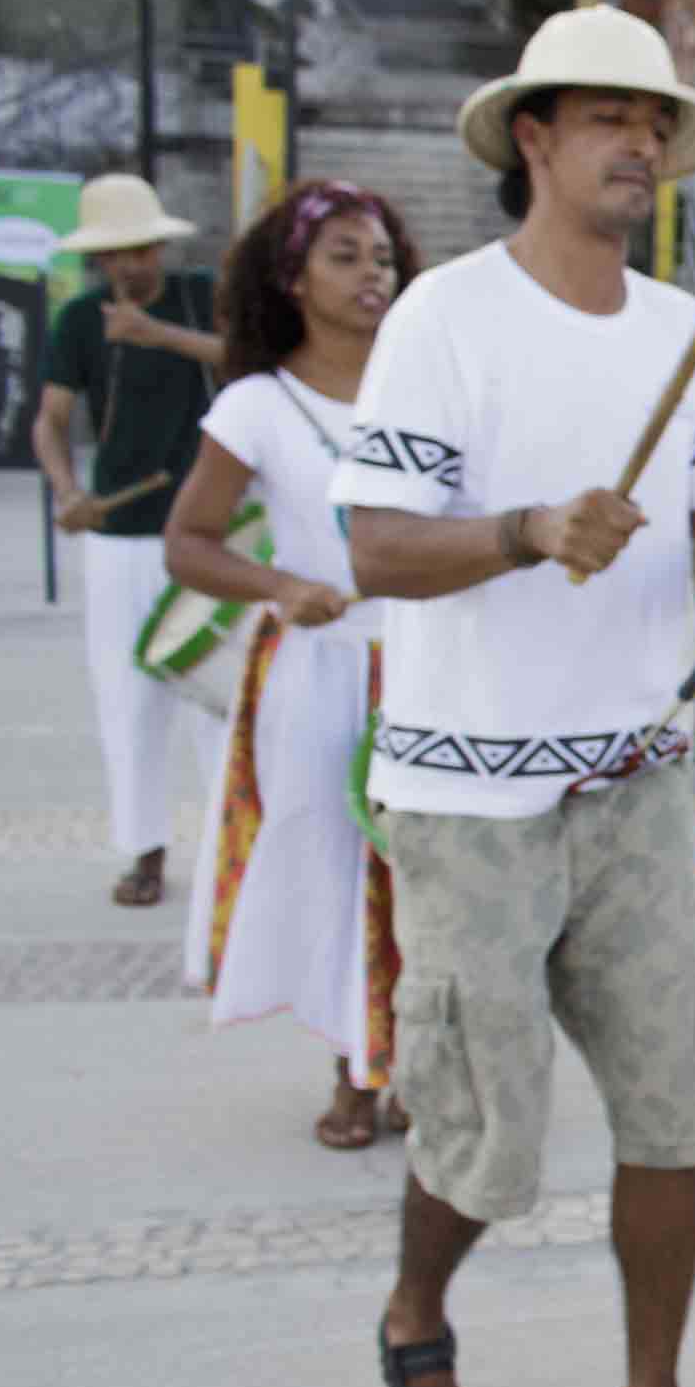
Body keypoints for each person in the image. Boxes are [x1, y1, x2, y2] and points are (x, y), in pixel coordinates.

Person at [330, 5, 695, 1387]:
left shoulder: (688, 334)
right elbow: (376, 548)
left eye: (655, 123)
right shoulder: (443, 318)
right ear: (533, 136)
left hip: (639, 779)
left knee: (671, 1110)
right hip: (468, 798)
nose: (639, 145)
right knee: (485, 1123)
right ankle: (415, 1318)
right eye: (608, 118)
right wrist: (529, 531)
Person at [167, 181, 420, 1149]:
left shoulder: (427, 389)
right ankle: (353, 1067)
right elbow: (188, 543)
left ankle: (412, 1060)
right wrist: (279, 585)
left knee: (424, 874)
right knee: (333, 870)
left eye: (382, 257)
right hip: (317, 671)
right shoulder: (257, 405)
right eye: (344, 257)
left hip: (428, 667)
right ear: (293, 279)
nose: (371, 275)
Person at [33, 173, 229, 909]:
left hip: (208, 532)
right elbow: (51, 419)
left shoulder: (199, 295)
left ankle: (228, 849)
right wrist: (67, 492)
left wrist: (158, 335)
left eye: (142, 249)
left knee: (217, 696)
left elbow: (249, 360)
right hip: (120, 537)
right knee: (128, 698)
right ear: (99, 260)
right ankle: (143, 849)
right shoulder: (81, 320)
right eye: (117, 253)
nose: (133, 264)